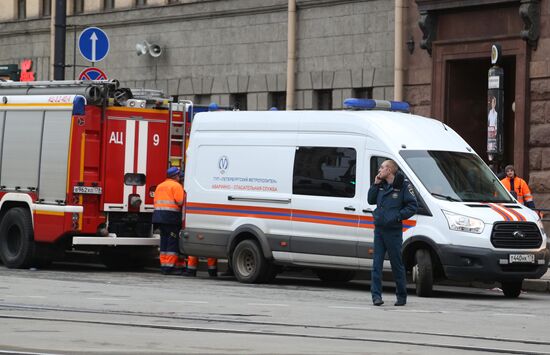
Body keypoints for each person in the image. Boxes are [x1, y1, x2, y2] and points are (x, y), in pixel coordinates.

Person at [368, 160, 418, 306]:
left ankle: (401, 297)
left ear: (389, 170)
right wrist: (375, 184)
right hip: (379, 230)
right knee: (376, 265)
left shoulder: (403, 186)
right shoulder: (381, 184)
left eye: (382, 167)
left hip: (393, 232)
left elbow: (412, 206)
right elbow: (370, 199)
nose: (379, 169)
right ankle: (376, 296)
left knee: (397, 265)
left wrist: (397, 216)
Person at [153, 167, 186, 275]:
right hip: (171, 218)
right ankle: (169, 267)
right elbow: (180, 202)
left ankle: (164, 266)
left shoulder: (160, 185)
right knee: (172, 242)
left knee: (164, 242)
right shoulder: (176, 186)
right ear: (176, 176)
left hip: (159, 218)